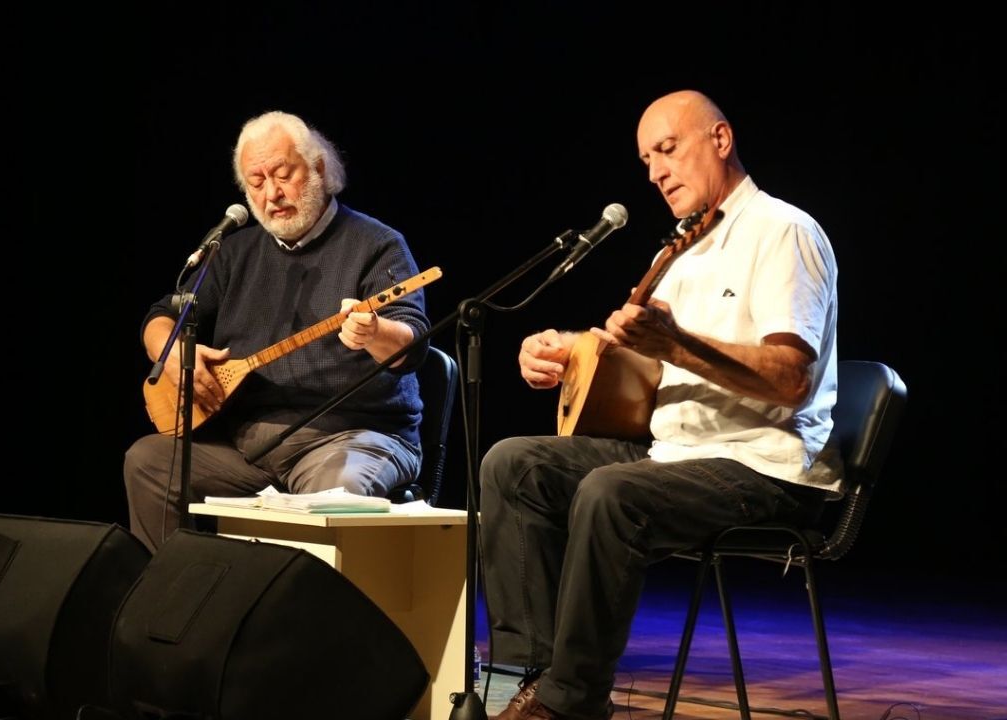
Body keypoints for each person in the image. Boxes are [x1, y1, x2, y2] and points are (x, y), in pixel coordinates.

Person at [480, 89, 841, 720]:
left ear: (720, 141)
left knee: (610, 492)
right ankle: (529, 680)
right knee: (514, 465)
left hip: (764, 465)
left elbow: (791, 379)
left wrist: (676, 342)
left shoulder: (784, 231)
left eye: (668, 150)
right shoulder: (673, 252)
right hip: (673, 453)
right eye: (646, 159)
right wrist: (565, 352)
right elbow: (642, 360)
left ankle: (571, 704)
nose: (655, 172)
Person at [124, 110, 430, 552]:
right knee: (149, 463)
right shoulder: (232, 253)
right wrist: (169, 356)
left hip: (351, 436)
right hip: (248, 445)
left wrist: (375, 332)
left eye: (283, 175)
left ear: (319, 169)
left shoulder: (377, 244)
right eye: (256, 182)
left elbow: (412, 343)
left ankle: (305, 619)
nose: (272, 194)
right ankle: (174, 609)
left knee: (333, 492)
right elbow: (161, 316)